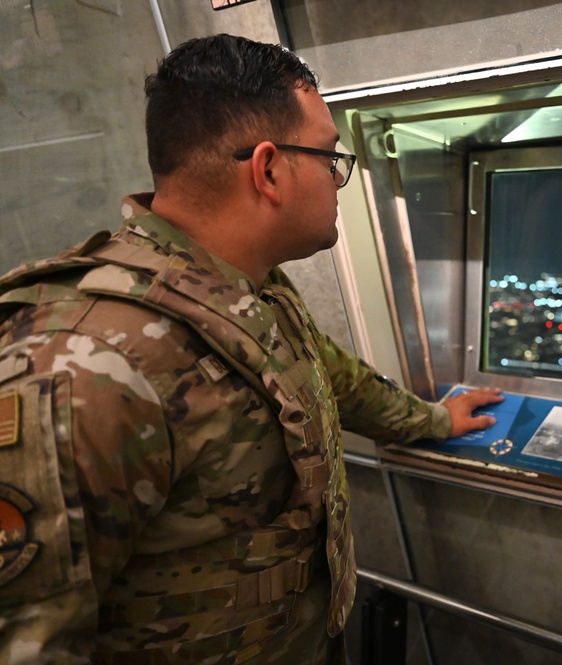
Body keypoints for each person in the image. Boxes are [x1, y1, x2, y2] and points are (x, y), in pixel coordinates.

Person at [0, 34, 502, 664]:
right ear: (268, 170)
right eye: (328, 158)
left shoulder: (246, 287)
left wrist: (432, 420)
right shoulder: (80, 361)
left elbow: (329, 376)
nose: (338, 180)